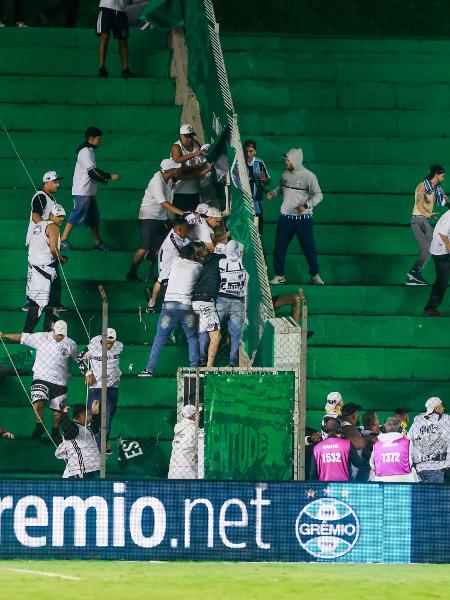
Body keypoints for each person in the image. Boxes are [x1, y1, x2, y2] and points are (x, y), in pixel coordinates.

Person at [127, 158, 209, 282]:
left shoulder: (170, 178)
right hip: (149, 217)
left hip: (161, 217)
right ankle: (132, 272)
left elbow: (189, 175)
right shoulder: (157, 182)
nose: (178, 170)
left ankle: (152, 274)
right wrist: (183, 213)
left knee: (160, 247)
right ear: (169, 170)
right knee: (145, 247)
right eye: (175, 168)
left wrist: (207, 168)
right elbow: (163, 203)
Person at [0, 320, 79, 444]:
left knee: (57, 413)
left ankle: (55, 431)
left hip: (60, 381)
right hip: (40, 378)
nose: (60, 336)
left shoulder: (70, 344)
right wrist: (4, 335)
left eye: (62, 335)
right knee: (38, 403)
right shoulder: (41, 337)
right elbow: (22, 337)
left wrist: (87, 371)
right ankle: (39, 427)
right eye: (58, 334)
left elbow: (79, 358)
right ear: (53, 330)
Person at [139, 244, 202, 377]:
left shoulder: (175, 261)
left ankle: (149, 370)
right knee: (191, 337)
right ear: (192, 255)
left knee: (159, 338)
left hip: (169, 307)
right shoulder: (198, 267)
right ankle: (194, 369)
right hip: (186, 307)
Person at [267, 148, 324, 286]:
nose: (285, 162)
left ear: (295, 160)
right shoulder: (285, 174)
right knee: (279, 247)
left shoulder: (309, 176)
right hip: (285, 218)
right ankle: (279, 276)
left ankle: (315, 275)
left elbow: (319, 195)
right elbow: (281, 189)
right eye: (286, 159)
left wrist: (306, 205)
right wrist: (274, 193)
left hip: (303, 220)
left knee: (308, 247)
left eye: (288, 159)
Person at [60, 126, 120, 251]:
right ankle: (62, 240)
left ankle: (97, 242)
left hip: (89, 191)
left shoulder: (89, 150)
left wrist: (104, 179)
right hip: (83, 191)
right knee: (77, 213)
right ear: (91, 139)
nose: (100, 141)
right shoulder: (85, 151)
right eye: (98, 139)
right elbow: (92, 172)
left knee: (94, 216)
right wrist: (108, 177)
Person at [76, 327, 123, 450]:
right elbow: (80, 358)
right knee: (92, 418)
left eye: (111, 343)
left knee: (107, 420)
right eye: (107, 343)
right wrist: (87, 372)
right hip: (96, 388)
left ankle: (101, 447)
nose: (109, 346)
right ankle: (91, 448)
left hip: (113, 388)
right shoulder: (93, 345)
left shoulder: (119, 346)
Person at [24, 204, 67, 333]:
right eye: (58, 216)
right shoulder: (53, 227)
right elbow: (54, 250)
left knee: (36, 304)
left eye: (62, 217)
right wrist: (62, 259)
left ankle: (27, 333)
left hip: (34, 270)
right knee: (51, 305)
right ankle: (47, 335)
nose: (61, 219)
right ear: (51, 215)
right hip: (47, 271)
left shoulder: (38, 226)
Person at [406, 165, 448, 286]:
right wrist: (429, 213)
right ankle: (414, 272)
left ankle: (412, 278)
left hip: (425, 221)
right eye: (442, 175)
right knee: (427, 249)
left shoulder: (438, 189)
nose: (443, 178)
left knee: (437, 247)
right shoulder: (421, 186)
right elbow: (419, 205)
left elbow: (445, 201)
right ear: (436, 175)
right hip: (417, 221)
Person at [146, 216, 193, 313]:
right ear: (179, 230)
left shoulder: (178, 231)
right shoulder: (173, 239)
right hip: (167, 258)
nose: (188, 232)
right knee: (162, 279)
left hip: (175, 257)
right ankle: (152, 301)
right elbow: (184, 249)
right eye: (186, 229)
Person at [192, 242, 226, 367]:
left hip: (194, 301)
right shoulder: (221, 259)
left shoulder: (198, 263)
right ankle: (208, 366)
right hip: (206, 302)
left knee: (203, 331)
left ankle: (201, 360)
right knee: (216, 336)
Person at [215, 240, 247, 367]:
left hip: (222, 299)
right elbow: (243, 253)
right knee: (236, 334)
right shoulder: (243, 262)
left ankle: (206, 357)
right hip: (238, 302)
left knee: (213, 329)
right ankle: (232, 362)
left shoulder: (222, 263)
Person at [231, 139, 270, 234]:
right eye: (246, 151)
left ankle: (258, 243)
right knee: (242, 227)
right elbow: (233, 174)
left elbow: (267, 180)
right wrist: (242, 187)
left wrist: (265, 179)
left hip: (256, 203)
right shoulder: (238, 162)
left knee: (257, 228)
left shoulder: (260, 163)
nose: (248, 153)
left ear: (255, 152)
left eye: (251, 151)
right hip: (243, 202)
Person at [409, 397, 450, 483]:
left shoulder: (417, 422)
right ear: (436, 408)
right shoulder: (446, 419)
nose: (443, 408)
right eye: (441, 406)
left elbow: (409, 442)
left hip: (423, 467)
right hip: (444, 465)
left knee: (431, 494)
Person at [55, 401, 101, 479]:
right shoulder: (74, 428)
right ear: (82, 415)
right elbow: (69, 428)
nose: (90, 417)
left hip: (87, 471)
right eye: (88, 414)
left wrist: (95, 413)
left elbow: (95, 428)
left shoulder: (87, 429)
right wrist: (64, 414)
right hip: (79, 473)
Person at [370, 417, 418, 483]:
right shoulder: (407, 442)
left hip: (382, 482)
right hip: (405, 482)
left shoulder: (377, 445)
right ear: (401, 429)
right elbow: (417, 458)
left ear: (383, 429)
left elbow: (372, 464)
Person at [171, 124, 206, 212]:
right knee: (181, 219)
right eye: (187, 137)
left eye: (191, 136)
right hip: (179, 190)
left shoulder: (196, 144)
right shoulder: (176, 147)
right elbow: (177, 160)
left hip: (194, 190)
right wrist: (194, 155)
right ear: (181, 135)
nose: (190, 139)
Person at [423, 205, 450, 316]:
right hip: (442, 253)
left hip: (441, 250)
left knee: (441, 281)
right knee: (442, 281)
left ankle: (430, 308)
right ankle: (430, 308)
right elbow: (443, 234)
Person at [97, 0, 134, 78]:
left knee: (123, 39)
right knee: (104, 36)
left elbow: (130, 2)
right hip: (106, 6)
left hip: (121, 10)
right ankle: (101, 67)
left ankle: (125, 70)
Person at [168, 404, 203, 479]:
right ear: (193, 416)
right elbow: (202, 450)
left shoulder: (179, 429)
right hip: (189, 474)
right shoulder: (195, 431)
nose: (199, 416)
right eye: (198, 413)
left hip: (174, 473)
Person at [356, 410, 380, 481]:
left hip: (358, 477)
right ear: (375, 424)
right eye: (378, 420)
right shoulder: (377, 441)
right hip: (371, 478)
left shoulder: (356, 438)